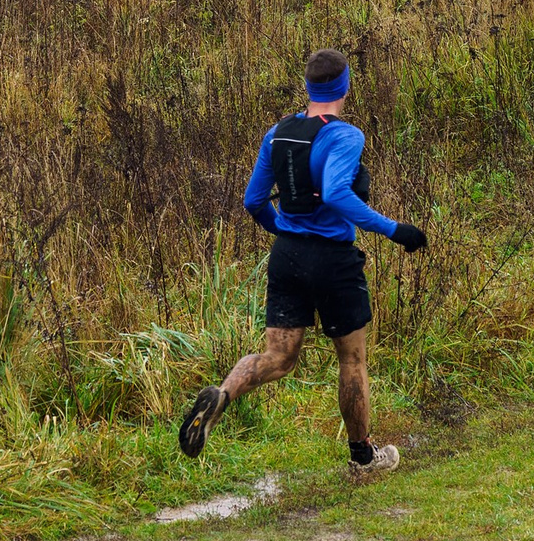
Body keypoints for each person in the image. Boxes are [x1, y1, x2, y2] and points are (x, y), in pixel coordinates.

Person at [179, 48, 428, 480]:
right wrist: (393, 229)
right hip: (333, 261)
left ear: (309, 87)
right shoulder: (346, 136)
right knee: (352, 360)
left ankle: (221, 395)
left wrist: (286, 232)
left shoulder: (278, 132)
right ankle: (363, 458)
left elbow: (254, 201)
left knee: (278, 355)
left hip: (286, 258)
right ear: (346, 85)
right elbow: (334, 194)